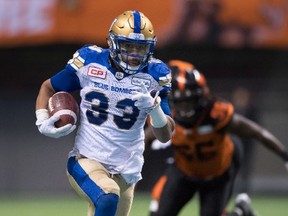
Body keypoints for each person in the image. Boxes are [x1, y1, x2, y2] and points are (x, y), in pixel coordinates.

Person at [35, 10, 175, 216]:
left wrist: (154, 110)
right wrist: (42, 119)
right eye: (128, 45)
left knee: (110, 199)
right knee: (108, 197)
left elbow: (165, 136)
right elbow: (48, 87)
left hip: (126, 170)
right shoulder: (90, 61)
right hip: (86, 159)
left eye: (140, 47)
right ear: (112, 43)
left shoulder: (156, 75)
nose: (135, 53)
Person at [145, 60, 288, 216]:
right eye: (180, 102)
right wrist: (134, 168)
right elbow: (146, 139)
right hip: (184, 172)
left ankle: (241, 212)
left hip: (216, 176)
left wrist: (285, 155)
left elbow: (256, 132)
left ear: (200, 97)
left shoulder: (216, 114)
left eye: (189, 101)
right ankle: (242, 211)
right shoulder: (167, 116)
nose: (184, 108)